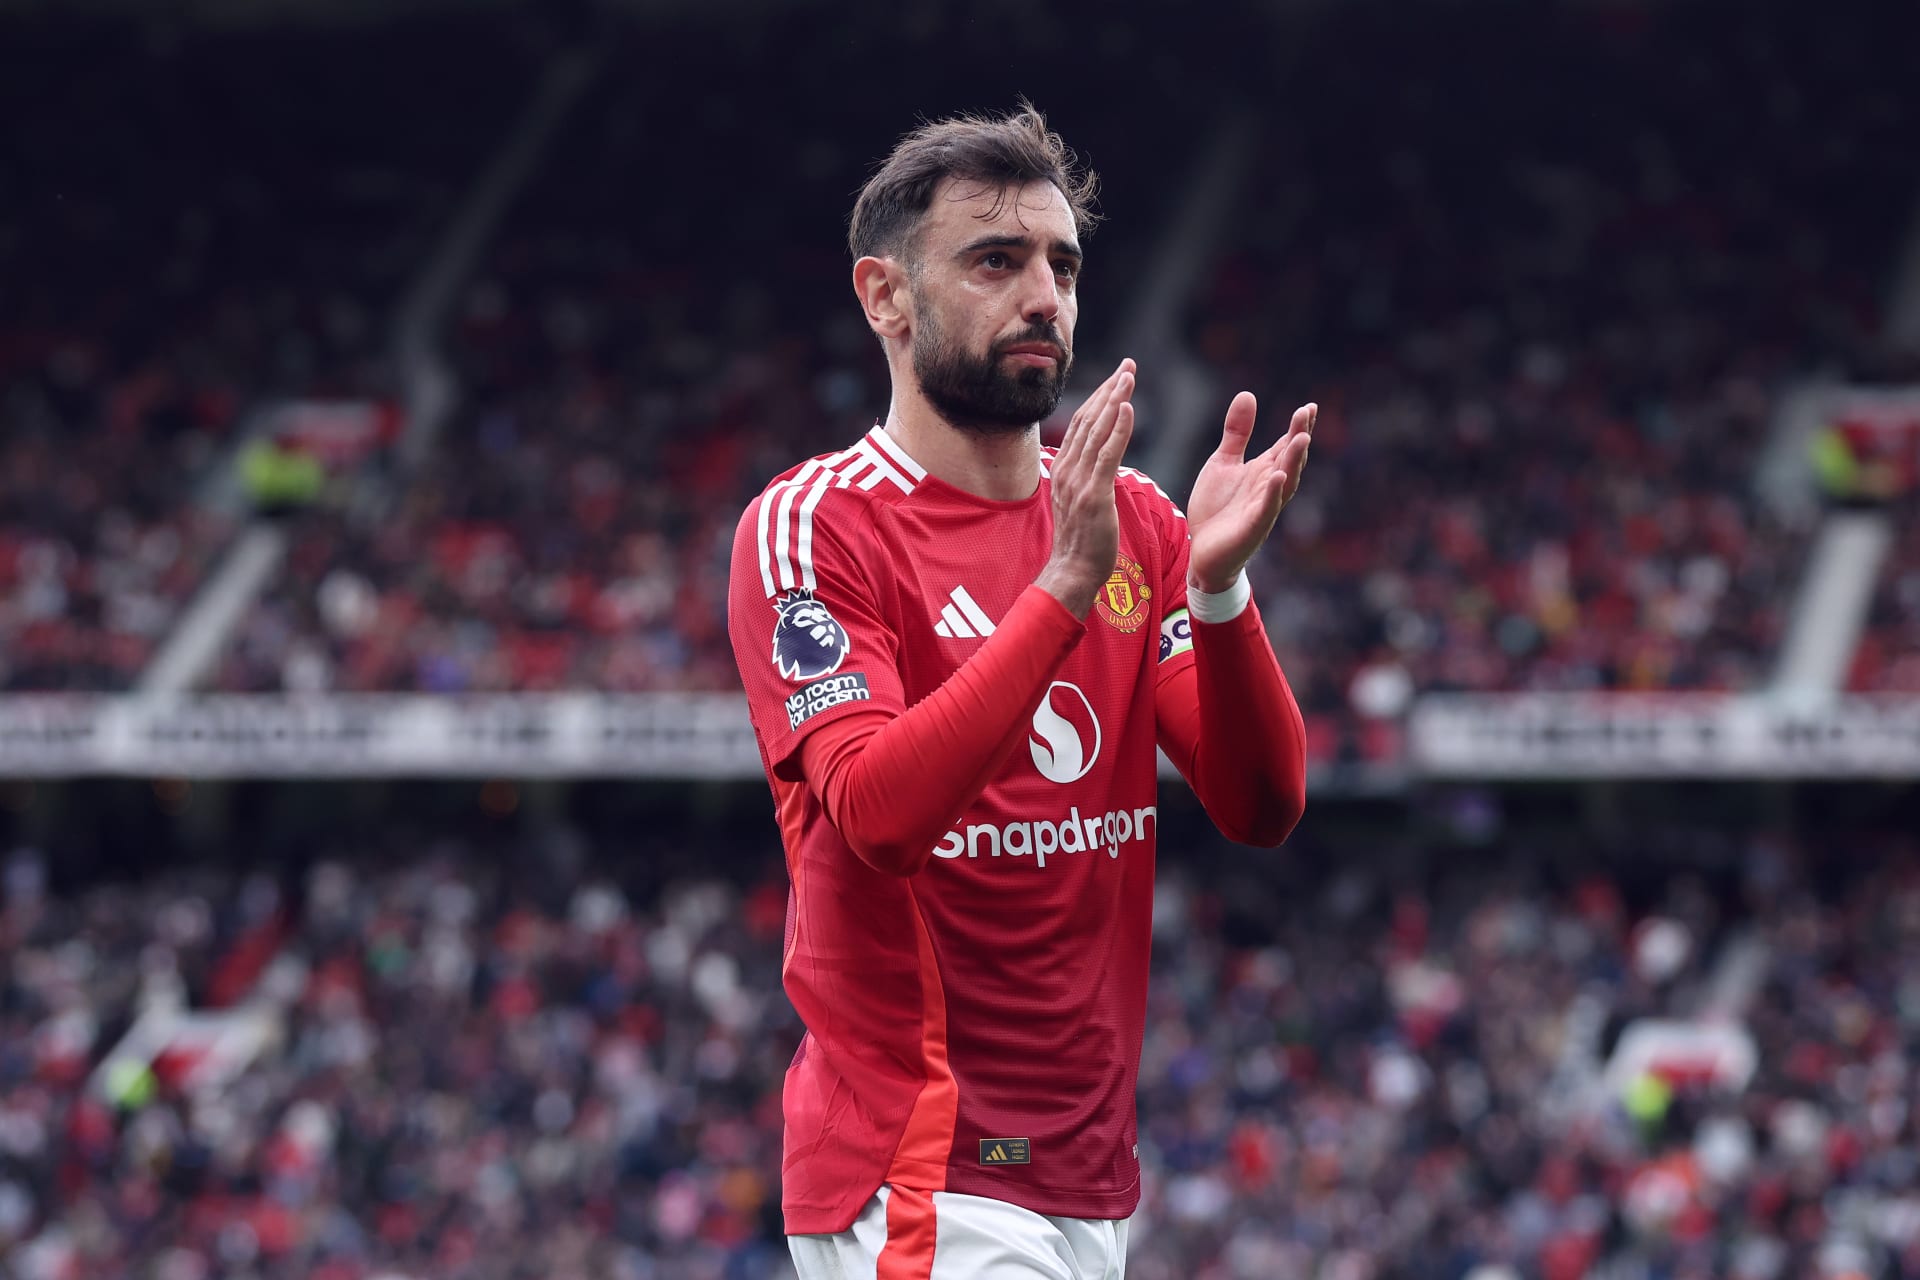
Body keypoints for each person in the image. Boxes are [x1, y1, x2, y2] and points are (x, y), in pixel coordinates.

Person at [726, 104, 1313, 1280]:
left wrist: (1218, 590)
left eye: (1062, 265)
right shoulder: (815, 526)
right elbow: (879, 813)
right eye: (996, 261)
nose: (1045, 296)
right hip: (923, 1167)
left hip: (1088, 1175)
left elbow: (1260, 805)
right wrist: (1060, 591)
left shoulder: (1129, 517)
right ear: (886, 297)